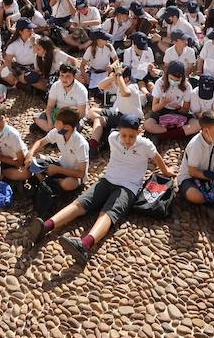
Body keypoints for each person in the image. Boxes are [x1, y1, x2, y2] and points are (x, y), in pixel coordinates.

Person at [24, 113, 173, 265]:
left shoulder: (145, 145)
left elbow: (156, 157)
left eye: (131, 136)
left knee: (107, 213)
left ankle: (85, 244)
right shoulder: (112, 138)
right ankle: (46, 225)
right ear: (118, 131)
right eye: (124, 135)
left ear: (139, 133)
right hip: (107, 180)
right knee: (80, 204)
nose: (127, 140)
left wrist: (166, 172)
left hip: (128, 188)